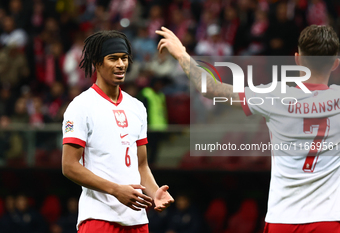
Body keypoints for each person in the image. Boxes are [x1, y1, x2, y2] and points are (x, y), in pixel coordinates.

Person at [156, 25, 340, 232]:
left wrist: (181, 53)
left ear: (297, 60)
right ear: (335, 64)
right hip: (328, 220)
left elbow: (210, 89)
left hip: (283, 220)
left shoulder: (276, 96)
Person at [62, 30, 174, 233]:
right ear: (96, 62)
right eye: (113, 58)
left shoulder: (137, 107)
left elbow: (141, 165)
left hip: (137, 220)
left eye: (124, 58)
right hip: (98, 218)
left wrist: (155, 191)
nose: (121, 64)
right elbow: (69, 166)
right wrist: (116, 190)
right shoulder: (81, 106)